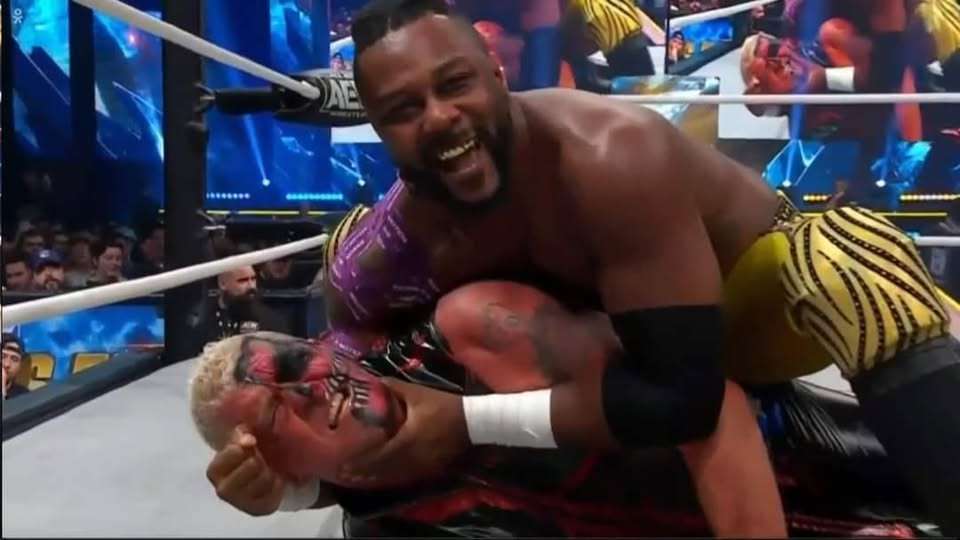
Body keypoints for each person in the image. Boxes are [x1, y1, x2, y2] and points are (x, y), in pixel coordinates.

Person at [212, 0, 959, 533]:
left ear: (497, 74)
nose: (438, 117)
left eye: (455, 85)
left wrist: (466, 420)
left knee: (842, 258)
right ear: (380, 129)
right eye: (405, 109)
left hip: (737, 316)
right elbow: (346, 386)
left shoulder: (607, 158)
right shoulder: (382, 254)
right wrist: (285, 479)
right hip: (608, 353)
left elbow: (691, 399)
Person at [197, 281, 932, 537]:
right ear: (273, 466)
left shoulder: (470, 333)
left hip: (779, 451)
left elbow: (702, 404)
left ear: (321, 346)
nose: (307, 392)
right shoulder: (392, 530)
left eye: (291, 368)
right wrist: (297, 495)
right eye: (275, 417)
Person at [2, 333, 31, 400]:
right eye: (2, 356)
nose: (6, 364)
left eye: (14, 359)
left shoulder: (24, 396)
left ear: (20, 367)